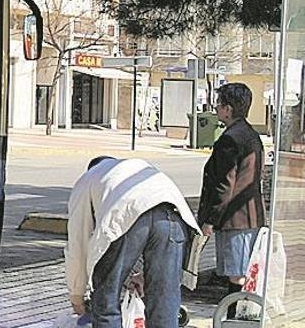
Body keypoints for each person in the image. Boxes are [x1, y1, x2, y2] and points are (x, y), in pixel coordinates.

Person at [66, 156, 200, 327]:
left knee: (106, 300)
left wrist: (77, 295)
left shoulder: (87, 179)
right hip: (173, 216)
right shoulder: (134, 168)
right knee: (163, 302)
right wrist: (145, 276)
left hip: (126, 212)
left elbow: (78, 241)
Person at [197, 82, 266, 317]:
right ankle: (236, 316)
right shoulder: (251, 135)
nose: (215, 108)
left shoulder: (230, 139)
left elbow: (224, 183)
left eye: (218, 104)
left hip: (234, 219)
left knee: (236, 273)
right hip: (250, 216)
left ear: (227, 109)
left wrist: (210, 220)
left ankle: (232, 318)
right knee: (242, 270)